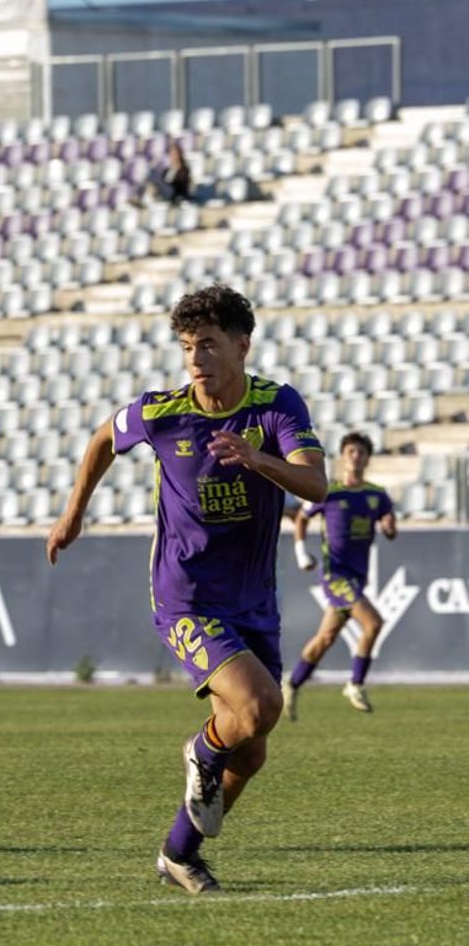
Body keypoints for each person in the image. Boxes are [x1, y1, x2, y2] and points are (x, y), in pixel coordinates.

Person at [47, 284, 327, 895]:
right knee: (259, 708)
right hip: (186, 597)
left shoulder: (276, 406)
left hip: (253, 599)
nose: (196, 359)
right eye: (187, 346)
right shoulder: (162, 412)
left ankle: (178, 853)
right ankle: (201, 751)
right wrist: (74, 513)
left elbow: (316, 485)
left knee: (250, 751)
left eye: (208, 345)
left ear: (241, 346)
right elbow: (101, 439)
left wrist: (257, 459)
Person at [283, 432, 397, 717]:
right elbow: (302, 518)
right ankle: (355, 683)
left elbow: (389, 524)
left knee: (325, 638)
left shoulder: (377, 494)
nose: (356, 456)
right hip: (336, 576)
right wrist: (301, 552)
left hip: (357, 577)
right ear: (343, 457)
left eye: (361, 452)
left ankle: (292, 684)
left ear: (368, 459)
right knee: (373, 623)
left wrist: (389, 526)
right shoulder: (329, 492)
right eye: (351, 452)